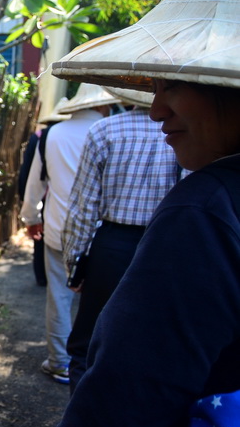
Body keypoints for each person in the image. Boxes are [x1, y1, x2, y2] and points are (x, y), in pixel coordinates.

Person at [0, 0, 240, 427]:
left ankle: (64, 363)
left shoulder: (208, 211)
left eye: (173, 83)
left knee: (90, 347)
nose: (157, 106)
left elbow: (119, 410)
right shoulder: (189, 186)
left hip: (110, 247)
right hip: (141, 247)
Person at [60, 87, 181, 391]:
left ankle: (81, 420)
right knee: (149, 338)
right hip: (163, 244)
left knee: (88, 340)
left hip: (111, 246)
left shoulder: (104, 130)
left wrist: (75, 263)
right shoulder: (182, 132)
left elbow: (82, 207)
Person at [20, 83, 119, 384]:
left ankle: (60, 362)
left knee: (59, 298)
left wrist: (30, 217)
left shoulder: (53, 134)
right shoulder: (111, 131)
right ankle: (99, 361)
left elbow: (36, 183)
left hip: (58, 229)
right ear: (103, 104)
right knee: (104, 300)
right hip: (103, 234)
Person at [17, 97, 71, 287]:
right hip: (60, 194)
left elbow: (27, 171)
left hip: (44, 195)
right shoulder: (70, 136)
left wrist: (26, 202)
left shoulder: (40, 136)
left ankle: (42, 276)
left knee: (43, 238)